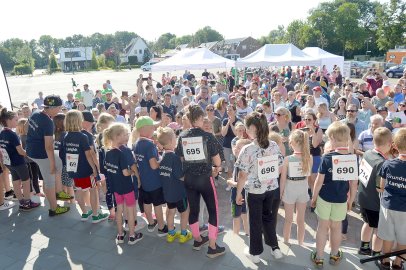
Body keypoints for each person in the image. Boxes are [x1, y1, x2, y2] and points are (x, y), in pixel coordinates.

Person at [175, 105, 225, 258]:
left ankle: (197, 240)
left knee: (194, 210)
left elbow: (181, 158)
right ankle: (212, 246)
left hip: (189, 179)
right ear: (198, 118)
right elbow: (217, 161)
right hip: (205, 178)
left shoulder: (182, 136)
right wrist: (217, 168)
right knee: (213, 210)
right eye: (203, 118)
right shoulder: (207, 136)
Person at [235, 112, 284, 263]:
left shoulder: (248, 149)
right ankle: (275, 248)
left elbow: (242, 175)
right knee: (268, 217)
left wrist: (238, 193)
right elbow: (280, 166)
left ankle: (255, 254)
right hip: (271, 189)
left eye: (247, 127)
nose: (245, 130)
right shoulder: (274, 145)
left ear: (253, 128)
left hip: (255, 191)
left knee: (255, 221)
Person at [310, 121, 358, 268]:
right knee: (336, 227)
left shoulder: (327, 158)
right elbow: (353, 183)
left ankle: (319, 257)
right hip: (341, 199)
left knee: (322, 227)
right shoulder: (351, 158)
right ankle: (334, 255)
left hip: (325, 197)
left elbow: (318, 182)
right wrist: (351, 200)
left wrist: (314, 197)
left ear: (331, 139)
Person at [26, 95, 71, 216]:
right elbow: (49, 147)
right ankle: (54, 208)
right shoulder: (48, 122)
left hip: (31, 149)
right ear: (52, 108)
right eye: (59, 108)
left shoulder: (36, 113)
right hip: (41, 154)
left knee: (59, 163)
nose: (60, 110)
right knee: (50, 180)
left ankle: (58, 191)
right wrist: (51, 164)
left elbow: (27, 128)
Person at [63, 110, 109, 223]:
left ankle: (84, 213)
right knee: (93, 190)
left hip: (73, 169)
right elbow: (89, 155)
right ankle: (95, 215)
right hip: (85, 169)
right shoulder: (82, 136)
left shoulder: (66, 136)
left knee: (79, 190)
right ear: (79, 121)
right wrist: (95, 168)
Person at [103, 123, 143, 245]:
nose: (127, 136)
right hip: (126, 187)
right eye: (125, 134)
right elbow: (126, 172)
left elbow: (108, 170)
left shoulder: (108, 153)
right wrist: (134, 173)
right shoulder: (122, 152)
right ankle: (132, 235)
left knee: (119, 210)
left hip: (116, 188)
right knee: (130, 211)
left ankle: (120, 235)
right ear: (118, 136)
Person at [357, 127, 392, 257]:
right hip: (375, 203)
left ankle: (364, 247)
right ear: (389, 144)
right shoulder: (382, 163)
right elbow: (380, 187)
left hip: (363, 197)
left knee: (367, 223)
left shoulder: (367, 153)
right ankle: (376, 253)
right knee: (379, 230)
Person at [133, 116, 168, 236]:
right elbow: (154, 165)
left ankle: (151, 223)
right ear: (146, 129)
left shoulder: (136, 143)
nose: (154, 128)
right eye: (152, 126)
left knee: (147, 204)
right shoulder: (149, 145)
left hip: (143, 181)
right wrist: (162, 158)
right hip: (154, 181)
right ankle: (162, 228)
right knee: (157, 205)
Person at [157, 127, 192, 244]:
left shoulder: (162, 158)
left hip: (168, 193)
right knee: (184, 212)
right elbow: (180, 176)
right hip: (179, 193)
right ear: (172, 141)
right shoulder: (175, 158)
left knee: (170, 212)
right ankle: (183, 233)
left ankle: (171, 234)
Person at [377, 128, 406, 270]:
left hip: (388, 205)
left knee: (387, 236)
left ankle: (385, 261)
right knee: (403, 238)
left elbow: (380, 186)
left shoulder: (387, 164)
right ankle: (398, 263)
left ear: (394, 145)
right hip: (404, 210)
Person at [0, 108, 40, 211]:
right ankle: (27, 203)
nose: (17, 122)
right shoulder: (12, 134)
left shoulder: (2, 133)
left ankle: (21, 202)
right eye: (15, 120)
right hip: (18, 162)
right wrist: (29, 154)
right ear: (8, 120)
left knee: (16, 182)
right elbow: (20, 151)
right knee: (26, 181)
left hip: (9, 163)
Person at [280, 129, 312, 246]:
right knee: (301, 220)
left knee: (288, 220)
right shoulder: (309, 157)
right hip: (303, 189)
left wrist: (280, 193)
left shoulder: (287, 159)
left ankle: (286, 241)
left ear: (292, 143)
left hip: (290, 189)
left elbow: (283, 179)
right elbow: (308, 177)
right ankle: (300, 243)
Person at [227, 138, 251, 236]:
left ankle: (236, 236)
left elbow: (241, 182)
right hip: (241, 194)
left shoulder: (241, 164)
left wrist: (230, 182)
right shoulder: (240, 162)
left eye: (239, 148)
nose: (236, 149)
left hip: (239, 194)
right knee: (242, 216)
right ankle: (246, 234)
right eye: (236, 147)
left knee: (237, 217)